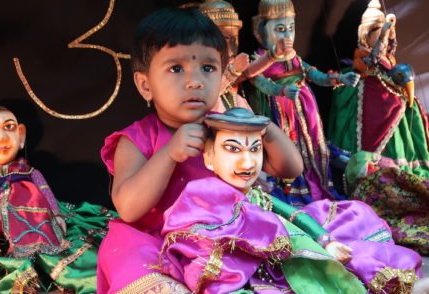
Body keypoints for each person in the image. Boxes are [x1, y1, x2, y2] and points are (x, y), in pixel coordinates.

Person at [96, 7, 303, 293]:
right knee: (134, 262)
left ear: (220, 79)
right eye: (176, 68)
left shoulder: (226, 129)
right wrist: (168, 154)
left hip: (225, 234)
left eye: (208, 68)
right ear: (145, 85)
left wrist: (261, 127)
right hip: (155, 242)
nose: (195, 81)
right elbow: (128, 208)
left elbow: (291, 168)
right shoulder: (136, 139)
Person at [157, 107, 422, 293]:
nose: (247, 162)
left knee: (351, 233)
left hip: (286, 256)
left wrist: (324, 239)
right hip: (248, 269)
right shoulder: (203, 195)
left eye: (255, 149)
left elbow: (292, 214)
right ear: (208, 156)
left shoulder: (257, 195)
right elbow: (194, 236)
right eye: (232, 149)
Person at [327, 0, 429, 254]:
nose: (385, 42)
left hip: (392, 96)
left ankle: (397, 169)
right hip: (367, 95)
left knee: (405, 89)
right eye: (378, 35)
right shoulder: (363, 58)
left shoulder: (391, 63)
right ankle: (369, 174)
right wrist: (384, 29)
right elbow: (370, 62)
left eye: (388, 37)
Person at [0, 106, 116, 293]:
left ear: (21, 135)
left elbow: (45, 192)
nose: (2, 137)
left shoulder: (29, 173)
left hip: (36, 232)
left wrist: (56, 215)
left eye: (9, 127)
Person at [247, 0, 360, 206]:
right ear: (261, 31)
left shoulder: (295, 58)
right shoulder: (259, 59)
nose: (287, 35)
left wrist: (340, 79)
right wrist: (280, 90)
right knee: (289, 149)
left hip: (306, 110)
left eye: (291, 28)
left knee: (312, 146)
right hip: (280, 111)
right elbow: (260, 83)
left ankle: (316, 185)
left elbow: (315, 75)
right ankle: (291, 190)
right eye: (280, 29)